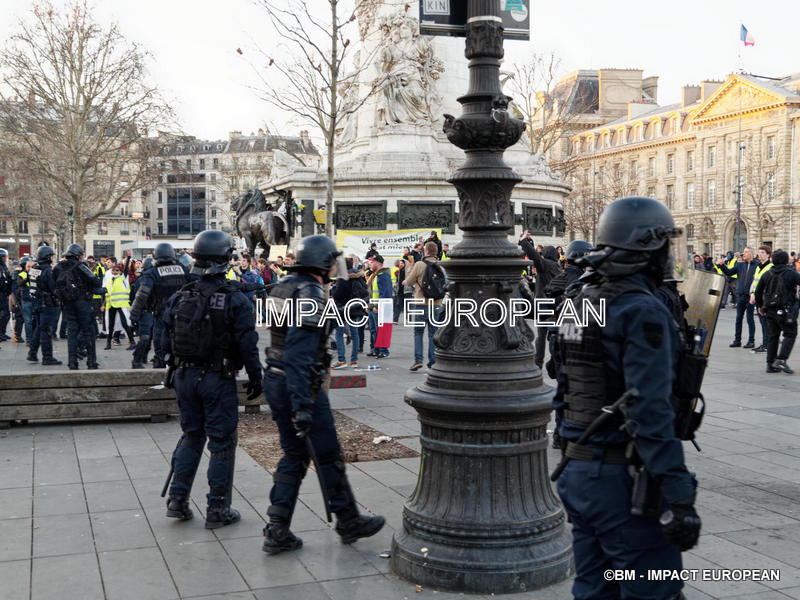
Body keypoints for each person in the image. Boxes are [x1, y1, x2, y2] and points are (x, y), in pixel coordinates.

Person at [555, 197, 700, 600]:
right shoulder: (642, 310)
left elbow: (562, 382)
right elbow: (649, 410)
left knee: (594, 590)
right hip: (622, 480)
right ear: (647, 247)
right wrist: (679, 495)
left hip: (578, 469)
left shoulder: (580, 299)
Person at [262, 234, 384, 554]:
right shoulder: (311, 294)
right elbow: (300, 354)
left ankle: (277, 528)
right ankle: (348, 520)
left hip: (277, 379)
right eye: (332, 261)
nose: (335, 266)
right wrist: (302, 404)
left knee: (295, 453)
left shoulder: (283, 285)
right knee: (327, 454)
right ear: (322, 263)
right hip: (300, 384)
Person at [160, 230, 263, 528]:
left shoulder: (181, 296)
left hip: (183, 375)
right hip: (217, 378)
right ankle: (218, 508)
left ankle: (178, 501)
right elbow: (248, 343)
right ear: (225, 258)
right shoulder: (235, 299)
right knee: (221, 442)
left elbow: (164, 340)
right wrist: (255, 376)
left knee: (191, 436)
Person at [129, 242, 189, 368]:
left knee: (161, 347)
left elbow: (142, 295)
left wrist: (134, 316)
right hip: (182, 314)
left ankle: (161, 374)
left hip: (162, 315)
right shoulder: (183, 269)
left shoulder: (152, 273)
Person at [53, 244, 103, 370]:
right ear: (78, 255)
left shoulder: (58, 267)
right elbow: (96, 281)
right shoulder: (80, 266)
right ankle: (91, 362)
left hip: (67, 304)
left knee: (72, 333)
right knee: (88, 332)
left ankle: (72, 362)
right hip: (82, 303)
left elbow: (54, 283)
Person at [519, 232, 562, 368]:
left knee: (541, 336)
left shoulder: (545, 265)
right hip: (556, 304)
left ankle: (538, 363)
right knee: (554, 333)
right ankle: (555, 361)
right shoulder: (558, 267)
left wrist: (524, 241)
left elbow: (534, 256)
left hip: (543, 304)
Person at [754, 249, 800, 374]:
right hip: (786, 310)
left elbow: (758, 292)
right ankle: (781, 359)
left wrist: (761, 305)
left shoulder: (767, 274)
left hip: (770, 310)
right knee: (790, 334)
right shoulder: (791, 273)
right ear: (785, 261)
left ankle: (770, 364)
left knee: (772, 337)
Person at [403, 241, 444, 370]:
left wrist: (409, 270)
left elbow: (409, 282)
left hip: (421, 303)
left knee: (418, 333)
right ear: (436, 253)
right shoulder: (441, 266)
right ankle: (433, 361)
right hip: (436, 304)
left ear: (425, 252)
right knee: (433, 334)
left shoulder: (420, 264)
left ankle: (418, 360)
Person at [26, 246, 63, 365]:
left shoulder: (33, 268)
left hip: (36, 303)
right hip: (46, 304)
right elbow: (53, 288)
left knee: (38, 329)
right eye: (51, 256)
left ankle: (32, 353)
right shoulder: (47, 270)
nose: (52, 258)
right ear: (47, 257)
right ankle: (47, 357)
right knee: (46, 330)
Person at [719, 247, 759, 348]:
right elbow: (729, 272)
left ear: (752, 254)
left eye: (746, 252)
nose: (743, 254)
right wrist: (722, 265)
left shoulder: (757, 265)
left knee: (750, 319)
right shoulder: (740, 265)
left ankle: (751, 341)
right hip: (740, 295)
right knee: (738, 319)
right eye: (743, 252)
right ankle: (737, 340)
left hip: (750, 296)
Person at [331, 258, 363, 369]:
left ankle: (341, 360)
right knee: (355, 333)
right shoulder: (358, 276)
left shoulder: (342, 277)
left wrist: (333, 289)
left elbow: (337, 294)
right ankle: (354, 361)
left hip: (342, 308)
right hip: (354, 307)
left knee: (339, 333)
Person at [103, 263, 136, 351]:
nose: (114, 272)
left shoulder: (123, 278)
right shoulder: (110, 281)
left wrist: (128, 258)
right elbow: (107, 294)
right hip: (111, 304)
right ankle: (108, 343)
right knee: (110, 325)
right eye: (113, 270)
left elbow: (125, 270)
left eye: (117, 270)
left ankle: (132, 342)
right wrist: (103, 304)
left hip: (121, 304)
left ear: (121, 272)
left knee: (125, 324)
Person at [365, 255, 392, 358]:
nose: (369, 264)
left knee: (380, 330)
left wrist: (377, 306)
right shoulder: (375, 275)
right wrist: (369, 305)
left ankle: (383, 350)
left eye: (372, 262)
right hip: (373, 307)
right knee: (373, 330)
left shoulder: (383, 275)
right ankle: (375, 349)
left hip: (379, 307)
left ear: (378, 263)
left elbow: (384, 293)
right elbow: (372, 293)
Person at [130, 258, 155, 369]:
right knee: (146, 337)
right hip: (146, 311)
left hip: (147, 312)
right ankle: (137, 359)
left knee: (148, 337)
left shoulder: (140, 280)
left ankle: (142, 357)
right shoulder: (144, 280)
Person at [749, 245, 773, 353]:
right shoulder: (759, 266)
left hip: (766, 299)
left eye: (763, 252)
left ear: (768, 255)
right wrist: (752, 294)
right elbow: (755, 282)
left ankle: (767, 344)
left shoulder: (771, 267)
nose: (760, 254)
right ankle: (765, 343)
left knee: (766, 322)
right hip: (758, 297)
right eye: (759, 252)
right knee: (762, 322)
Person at [0, 248, 12, 342]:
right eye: (4, 257)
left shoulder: (4, 267)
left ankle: (3, 332)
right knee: (3, 314)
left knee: (6, 314)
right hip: (1, 294)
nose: (5, 258)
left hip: (4, 294)